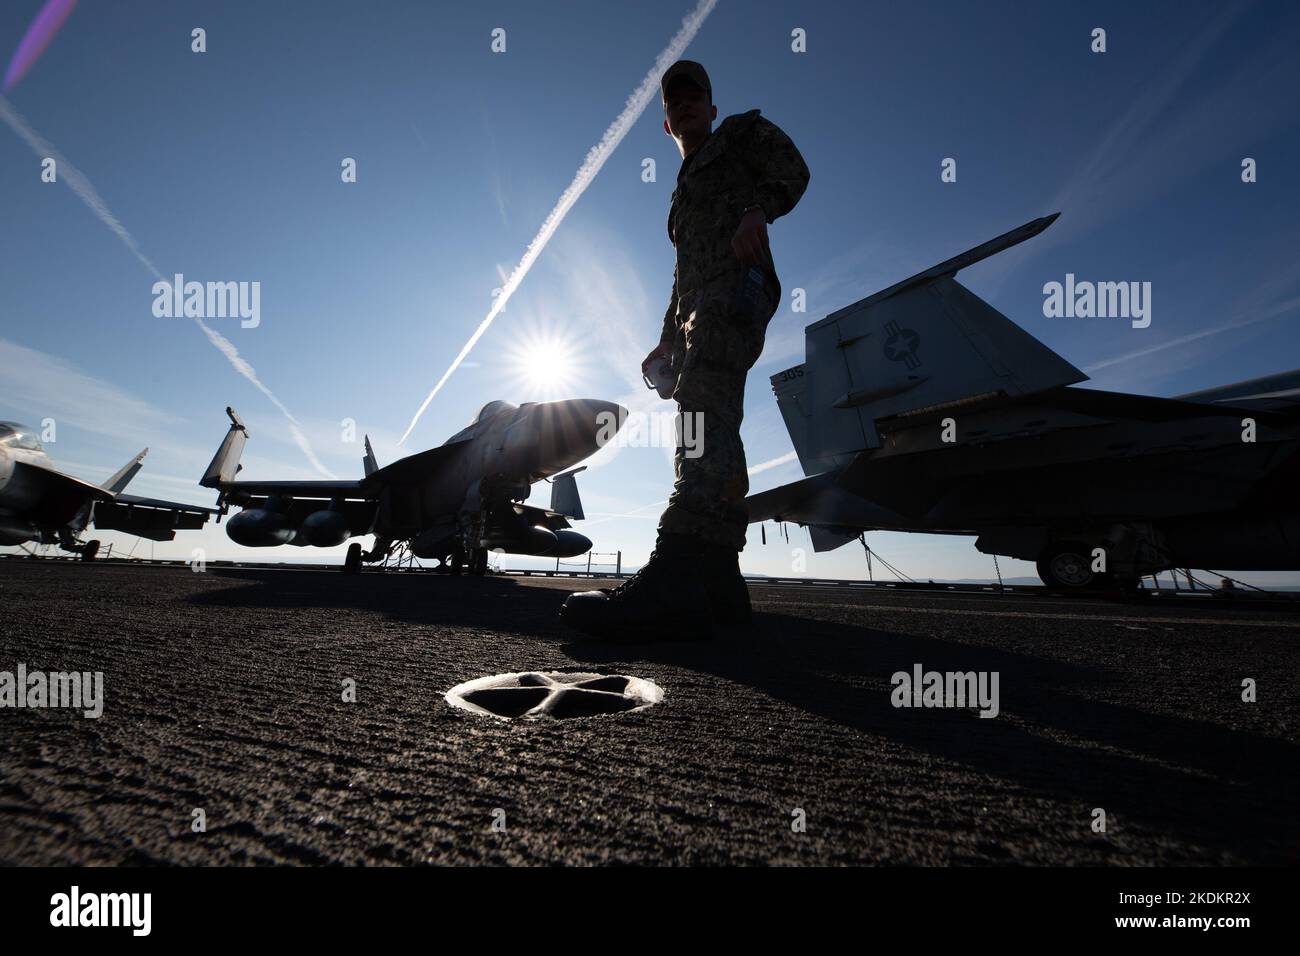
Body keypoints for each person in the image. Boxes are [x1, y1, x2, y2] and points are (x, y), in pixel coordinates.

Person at [561, 59, 810, 640]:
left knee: (700, 407)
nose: (686, 103)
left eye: (696, 94)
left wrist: (757, 210)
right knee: (717, 418)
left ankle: (677, 563)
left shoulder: (742, 134)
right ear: (666, 124)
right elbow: (683, 276)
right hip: (702, 306)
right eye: (675, 100)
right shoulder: (682, 190)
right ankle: (719, 578)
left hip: (738, 291)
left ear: (713, 107)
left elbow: (793, 170)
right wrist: (666, 337)